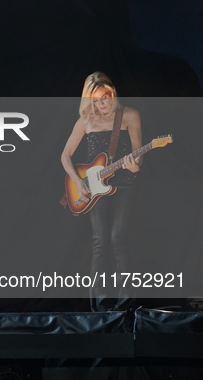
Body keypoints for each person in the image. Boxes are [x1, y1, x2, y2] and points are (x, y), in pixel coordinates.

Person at [61, 71, 142, 312]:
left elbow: (138, 154)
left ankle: (126, 301)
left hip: (126, 183)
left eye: (104, 98)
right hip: (94, 187)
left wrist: (134, 166)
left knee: (118, 237)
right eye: (95, 100)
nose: (100, 105)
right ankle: (100, 301)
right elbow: (65, 155)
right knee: (99, 240)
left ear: (112, 93)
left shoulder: (129, 115)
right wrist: (79, 181)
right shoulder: (85, 121)